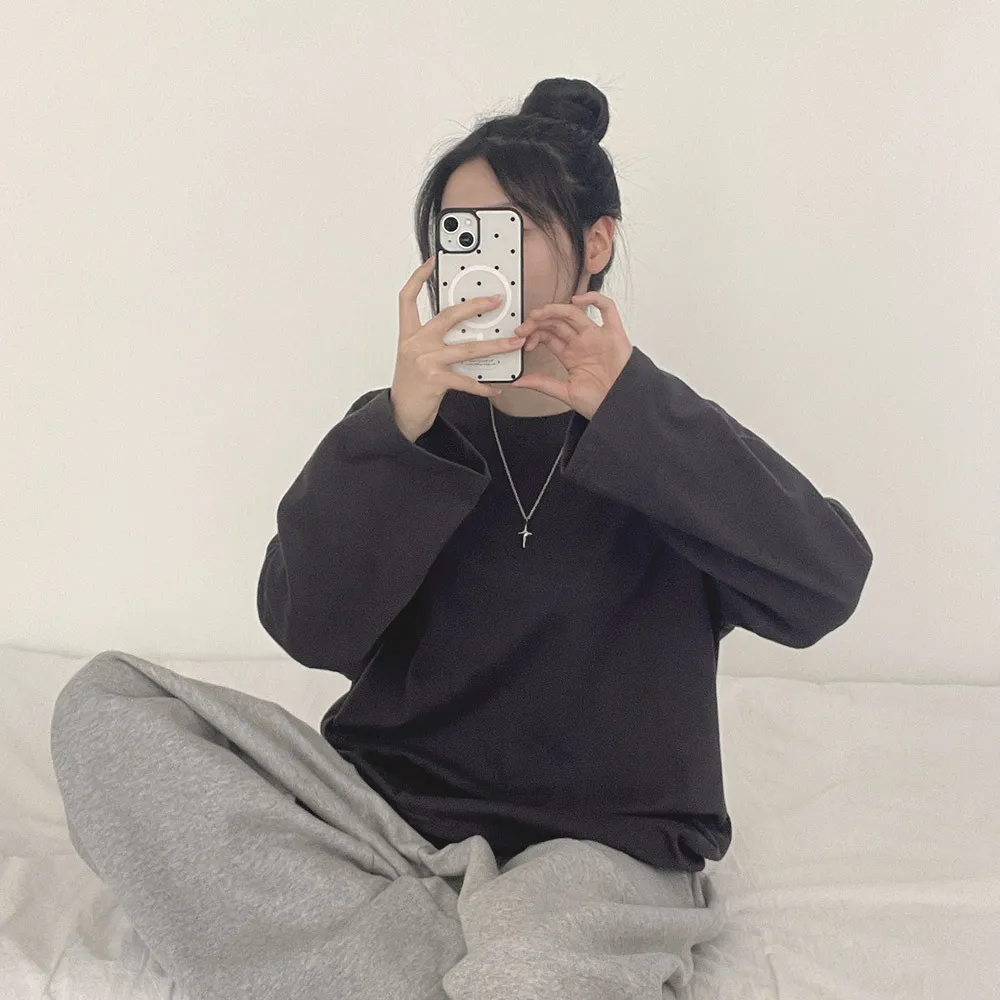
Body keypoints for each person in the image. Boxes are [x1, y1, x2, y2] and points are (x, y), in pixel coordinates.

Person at [49, 77, 873, 1000]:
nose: (481, 261)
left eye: (513, 229)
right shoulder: (403, 429)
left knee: (531, 965)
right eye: (459, 235)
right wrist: (398, 430)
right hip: (386, 825)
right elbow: (305, 629)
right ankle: (443, 943)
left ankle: (412, 954)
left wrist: (633, 408)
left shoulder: (663, 438)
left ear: (597, 244)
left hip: (599, 847)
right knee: (103, 707)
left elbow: (824, 588)